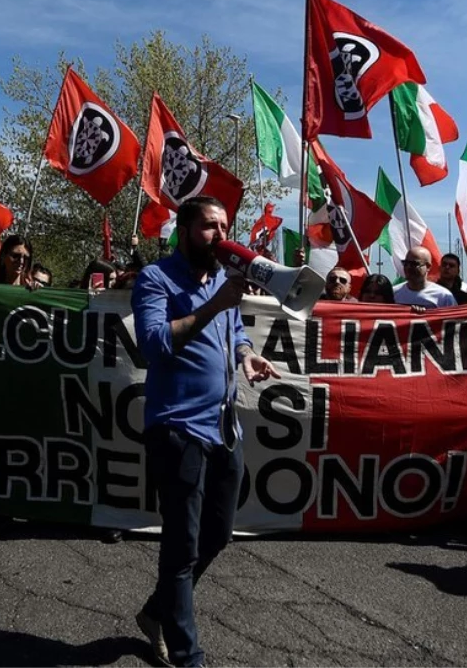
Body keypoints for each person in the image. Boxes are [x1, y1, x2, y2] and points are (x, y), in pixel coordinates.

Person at [131, 195, 280, 668]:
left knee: (217, 533)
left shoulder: (221, 278)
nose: (220, 236)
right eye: (210, 227)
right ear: (185, 230)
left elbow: (235, 330)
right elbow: (153, 344)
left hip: (223, 427)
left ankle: (157, 612)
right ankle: (187, 656)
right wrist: (215, 305)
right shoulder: (157, 279)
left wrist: (245, 354)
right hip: (177, 428)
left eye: (224, 226)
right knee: (181, 546)